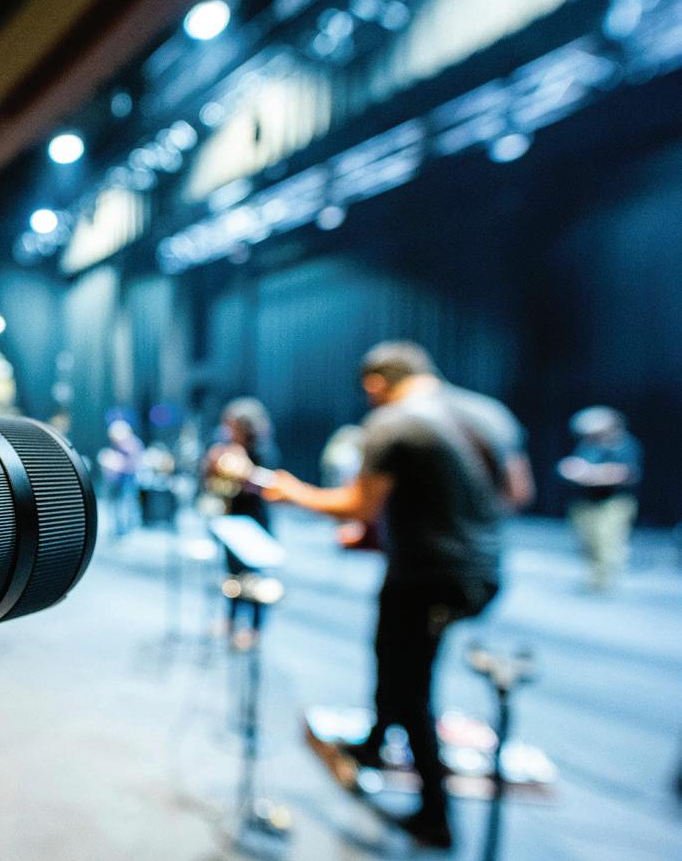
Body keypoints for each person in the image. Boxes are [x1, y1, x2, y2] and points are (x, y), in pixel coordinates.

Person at [263, 341, 532, 849]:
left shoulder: (392, 424)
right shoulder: (489, 414)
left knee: (410, 686)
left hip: (426, 576)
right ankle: (372, 747)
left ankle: (436, 817)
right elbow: (518, 494)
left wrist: (291, 492)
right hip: (484, 572)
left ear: (376, 383)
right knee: (390, 656)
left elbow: (359, 507)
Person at [204, 397, 279, 646]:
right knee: (232, 573)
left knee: (255, 577)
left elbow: (261, 482)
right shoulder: (226, 449)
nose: (227, 429)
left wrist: (236, 462)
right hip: (232, 516)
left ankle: (255, 629)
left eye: (232, 424)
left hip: (255, 518)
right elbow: (214, 480)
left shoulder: (263, 451)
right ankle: (231, 620)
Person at [559, 406, 642, 592]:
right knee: (588, 542)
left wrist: (591, 474)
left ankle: (604, 582)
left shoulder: (623, 444)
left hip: (612, 502)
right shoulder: (588, 445)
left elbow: (625, 473)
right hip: (585, 501)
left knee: (607, 541)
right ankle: (593, 579)